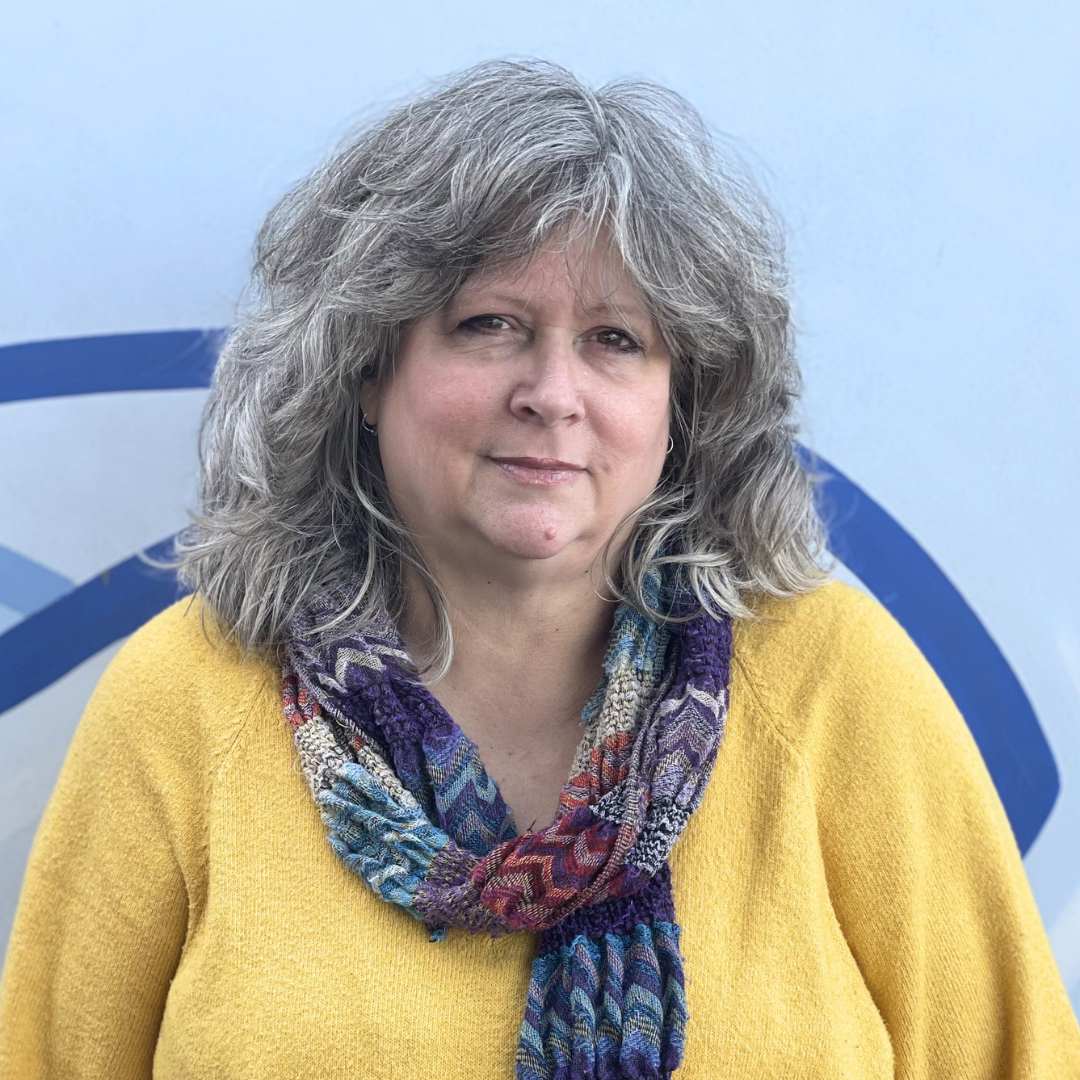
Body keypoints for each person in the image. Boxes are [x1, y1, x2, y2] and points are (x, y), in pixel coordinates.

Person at [0, 59, 1077, 1080]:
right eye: (490, 326)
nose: (553, 392)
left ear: (679, 403)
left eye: (615, 340)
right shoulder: (188, 700)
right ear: (367, 372)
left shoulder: (836, 684)